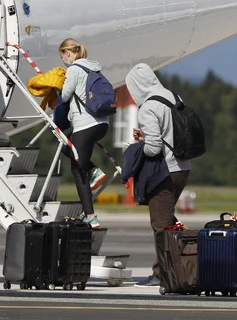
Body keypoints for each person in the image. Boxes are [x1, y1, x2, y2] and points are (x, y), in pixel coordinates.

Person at [125, 63, 191, 287]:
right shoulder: (173, 96)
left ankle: (163, 274)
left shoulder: (148, 108)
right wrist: (148, 137)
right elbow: (169, 132)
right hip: (183, 167)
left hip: (164, 171)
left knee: (161, 225)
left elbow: (153, 148)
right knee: (169, 221)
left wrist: (135, 148)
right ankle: (178, 266)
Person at [59, 38, 109, 229]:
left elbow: (64, 96)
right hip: (101, 123)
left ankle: (90, 216)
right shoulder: (94, 68)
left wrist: (59, 85)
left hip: (85, 124)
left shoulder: (74, 69)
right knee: (69, 147)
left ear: (68, 53)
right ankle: (93, 170)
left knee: (76, 169)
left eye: (62, 55)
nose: (63, 59)